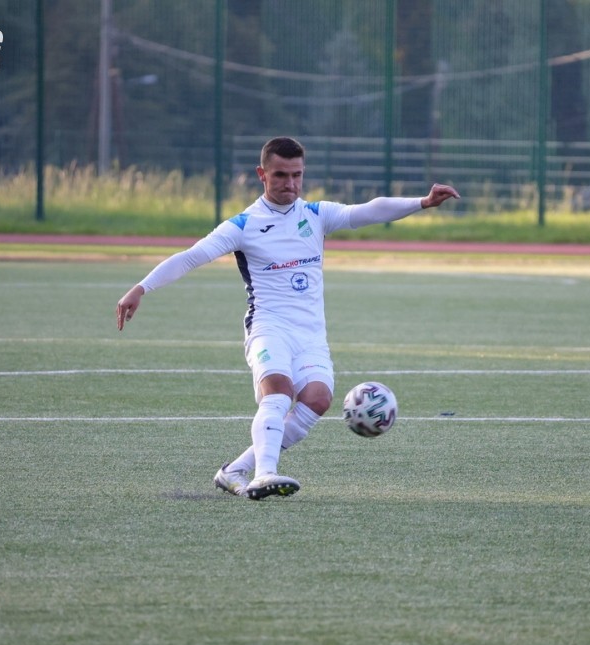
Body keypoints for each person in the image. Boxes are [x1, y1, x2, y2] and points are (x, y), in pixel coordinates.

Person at [116, 136, 460, 500]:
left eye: (297, 175)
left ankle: (234, 471)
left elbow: (367, 211)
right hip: (268, 327)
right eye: (281, 175)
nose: (291, 184)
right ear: (262, 174)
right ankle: (265, 474)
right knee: (278, 392)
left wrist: (422, 202)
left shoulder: (315, 214)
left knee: (317, 399)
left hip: (310, 334)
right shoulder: (244, 225)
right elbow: (191, 256)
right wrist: (141, 288)